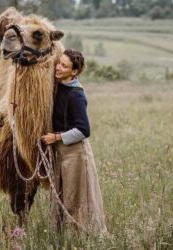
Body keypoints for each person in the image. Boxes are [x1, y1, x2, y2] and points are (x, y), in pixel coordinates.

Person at [41, 49, 107, 235]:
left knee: (78, 197)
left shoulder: (76, 94)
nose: (58, 67)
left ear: (74, 72)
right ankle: (64, 236)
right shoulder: (59, 86)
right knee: (64, 194)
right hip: (62, 152)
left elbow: (84, 130)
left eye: (64, 66)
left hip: (76, 153)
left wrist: (56, 137)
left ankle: (85, 237)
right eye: (58, 63)